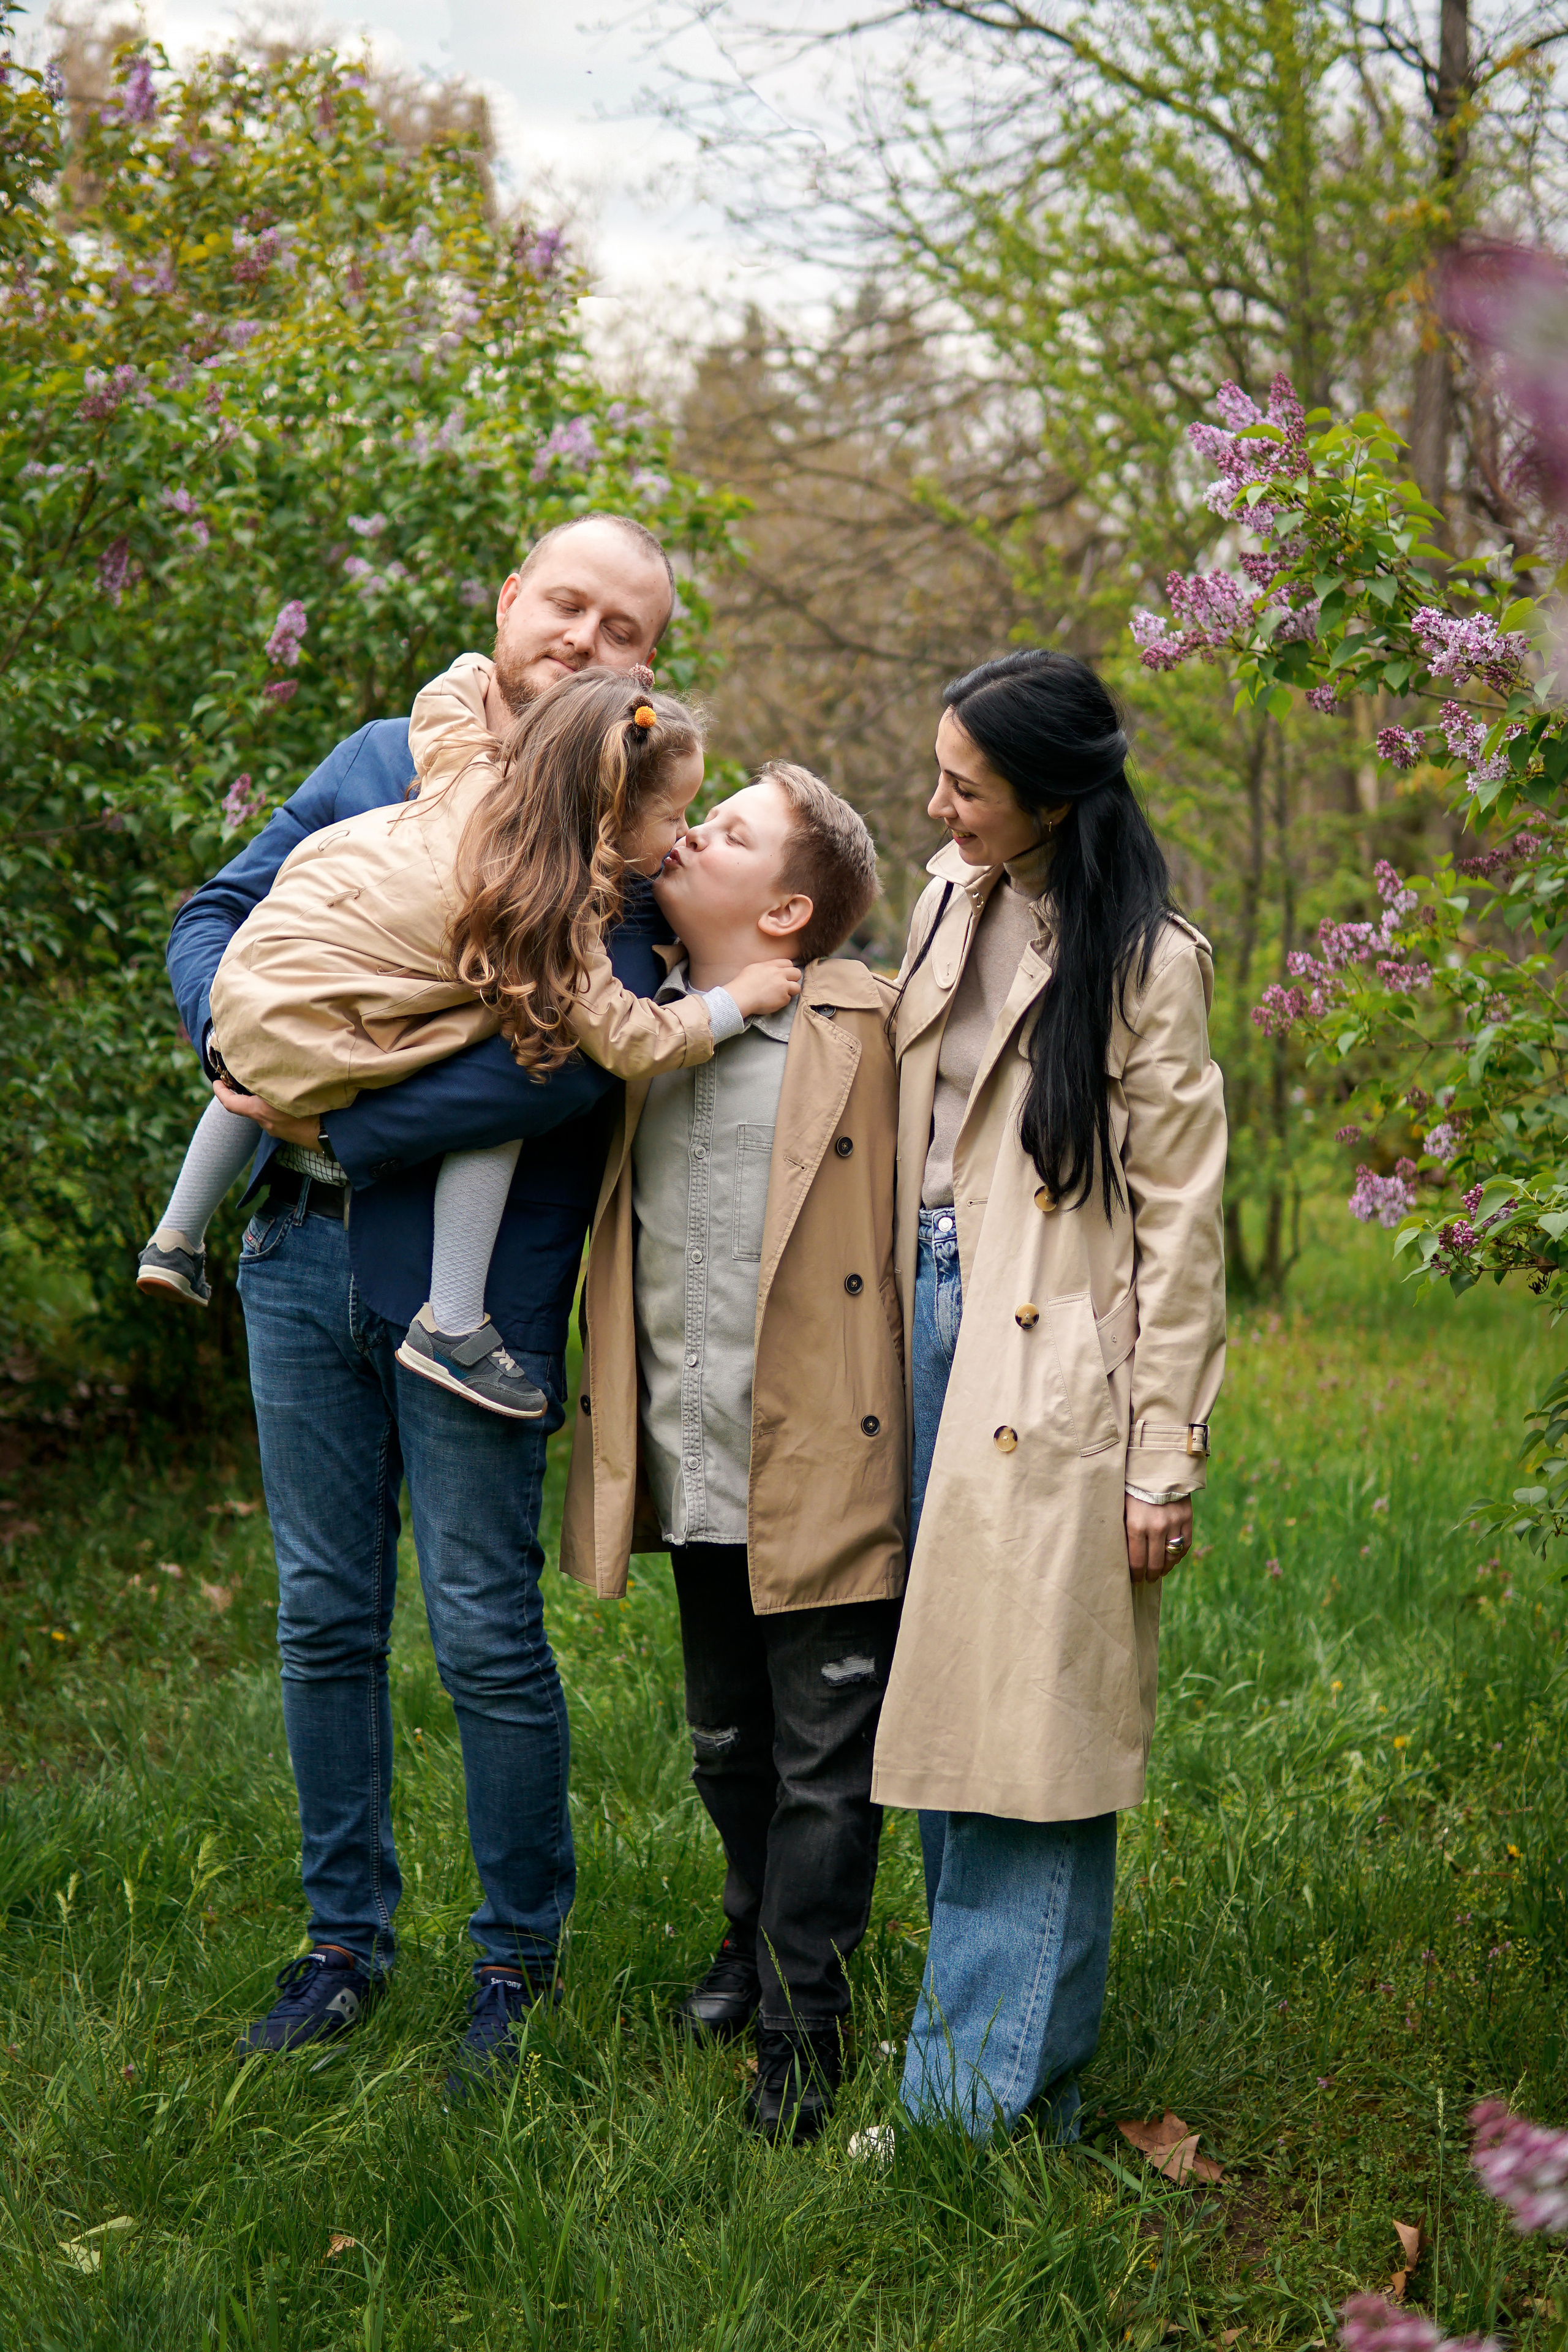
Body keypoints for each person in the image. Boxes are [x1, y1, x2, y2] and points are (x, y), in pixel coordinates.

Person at [165, 513, 699, 2092]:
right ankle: (342, 1945)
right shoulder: (376, 760)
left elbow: (575, 1058)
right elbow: (214, 916)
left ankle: (512, 1961)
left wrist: (345, 1120)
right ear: (510, 600)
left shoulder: (627, 806)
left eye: (623, 629)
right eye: (567, 604)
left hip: (476, 1281)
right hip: (296, 1255)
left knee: (481, 1625)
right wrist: (238, 1049)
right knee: (324, 1614)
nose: (584, 639)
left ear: (647, 667)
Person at [870, 649, 1227, 2141]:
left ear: (1054, 800)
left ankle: (970, 2109)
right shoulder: (946, 899)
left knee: (1031, 1722)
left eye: (966, 786)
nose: (936, 806)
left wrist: (1160, 1454)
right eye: (939, 774)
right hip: (915, 1320)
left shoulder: (1145, 960)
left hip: (1048, 1353)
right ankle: (998, 2076)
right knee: (954, 1698)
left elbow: (1181, 1222)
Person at [140, 659, 798, 1415]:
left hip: (259, 974)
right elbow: (629, 1038)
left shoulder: (467, 768)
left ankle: (176, 1236)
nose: (682, 835)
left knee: (261, 1062)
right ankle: (451, 1322)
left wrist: (488, 668)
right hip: (322, 1024)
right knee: (521, 1048)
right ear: (613, 813)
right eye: (673, 816)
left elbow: (442, 702)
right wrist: (732, 1003)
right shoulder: (557, 905)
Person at [559, 763, 903, 2144]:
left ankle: (801, 2024)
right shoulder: (637, 1022)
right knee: (723, 1744)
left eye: (734, 831)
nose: (695, 831)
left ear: (787, 912)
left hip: (824, 1463)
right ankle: (750, 1927)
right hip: (690, 1460)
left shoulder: (862, 1028)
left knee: (824, 1760)